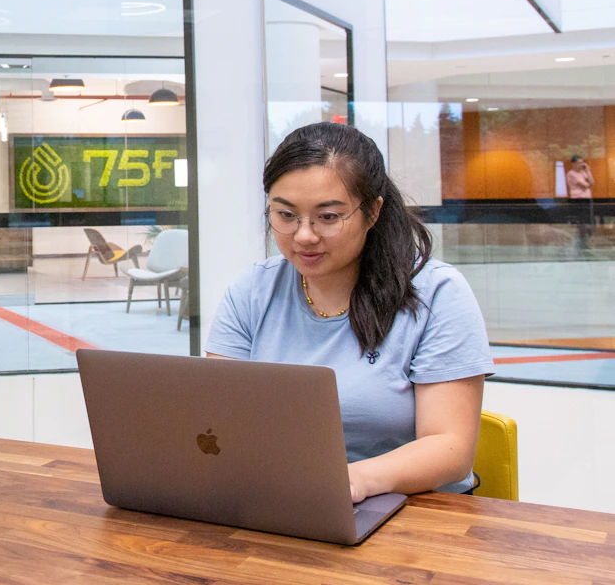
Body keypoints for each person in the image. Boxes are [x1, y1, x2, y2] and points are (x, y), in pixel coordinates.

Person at [205, 123, 493, 503]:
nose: (304, 235)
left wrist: (350, 482)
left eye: (328, 217)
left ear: (372, 212)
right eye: (286, 215)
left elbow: (450, 449)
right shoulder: (252, 291)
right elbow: (218, 421)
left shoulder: (437, 293)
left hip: (415, 512)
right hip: (283, 499)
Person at [566, 155, 595, 250]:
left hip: (587, 199)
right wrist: (588, 183)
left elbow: (592, 183)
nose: (581, 164)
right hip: (578, 199)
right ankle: (581, 243)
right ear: (573, 164)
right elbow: (586, 185)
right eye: (578, 162)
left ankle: (586, 242)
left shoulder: (583, 173)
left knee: (590, 221)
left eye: (582, 162)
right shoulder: (571, 174)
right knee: (581, 222)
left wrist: (588, 171)